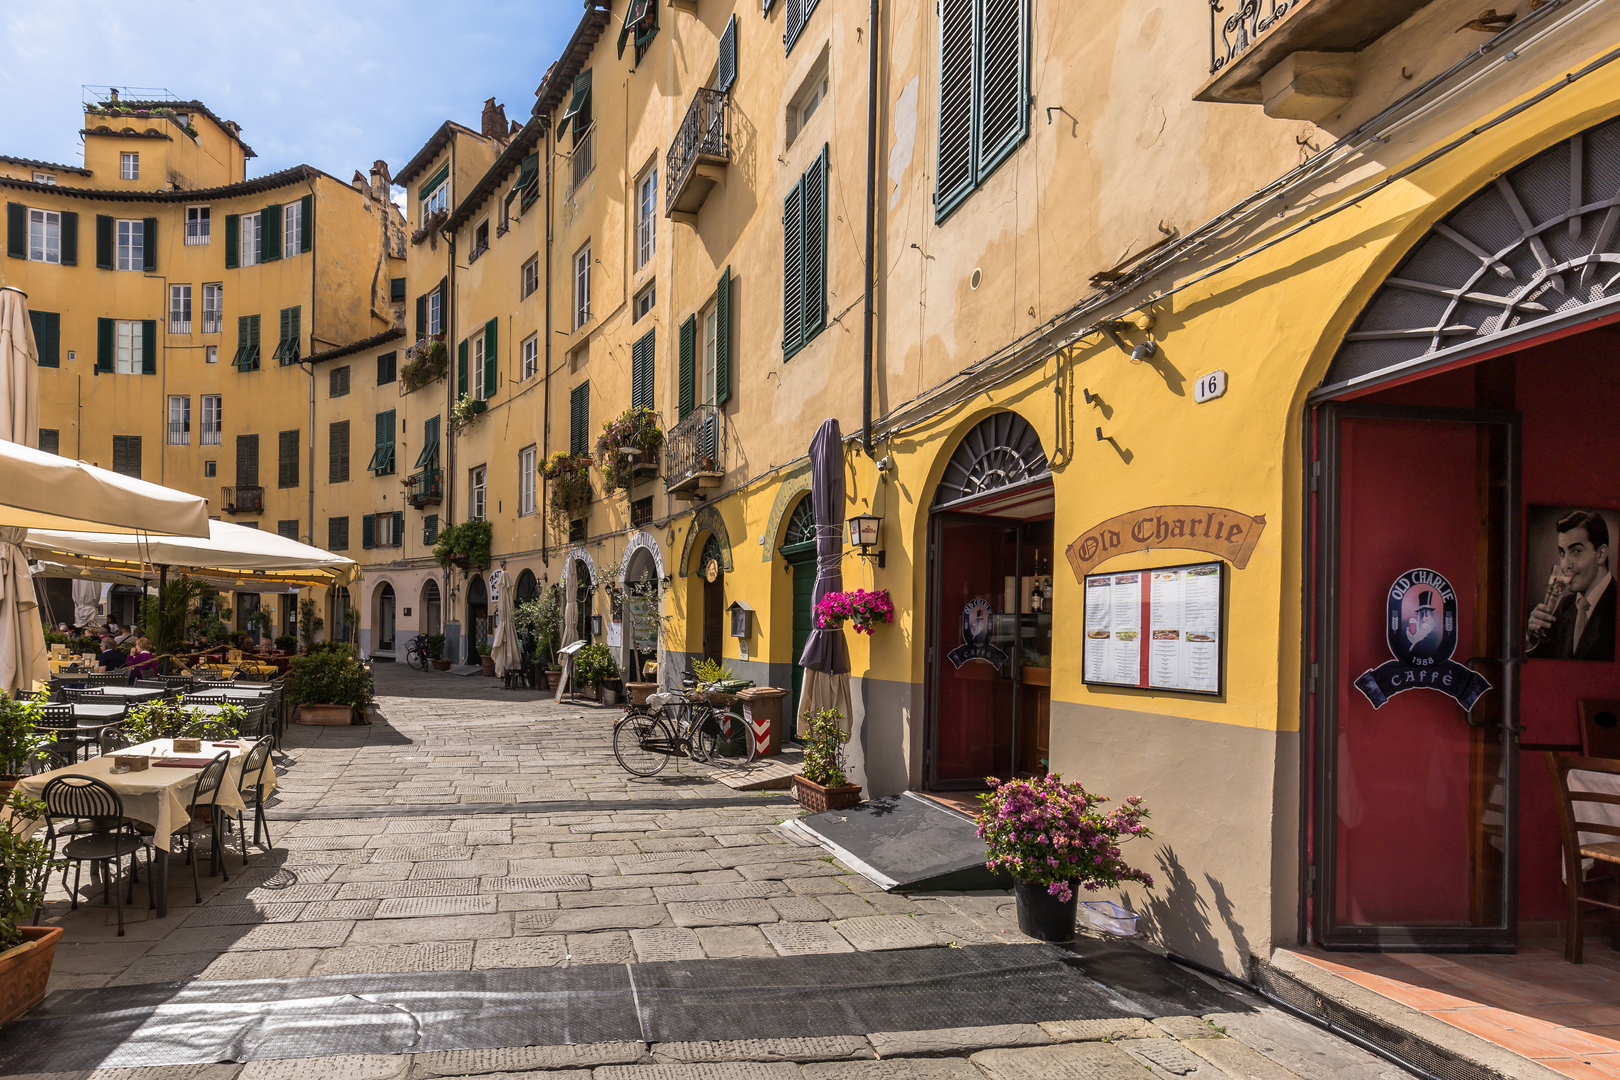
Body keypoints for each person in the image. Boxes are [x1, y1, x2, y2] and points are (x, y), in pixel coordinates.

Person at [1528, 509, 1616, 660]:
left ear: (1601, 555)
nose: (1565, 565)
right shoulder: (1563, 607)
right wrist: (1531, 639)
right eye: (1562, 553)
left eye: (1576, 551)